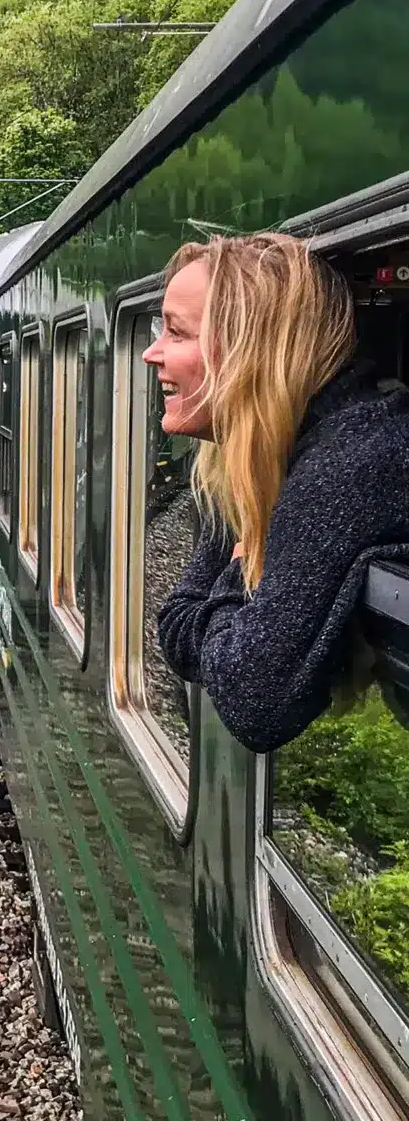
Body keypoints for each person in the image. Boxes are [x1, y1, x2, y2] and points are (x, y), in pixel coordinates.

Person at [146, 233, 409, 751]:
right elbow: (175, 624)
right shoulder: (270, 454)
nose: (152, 353)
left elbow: (252, 701)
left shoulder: (353, 464)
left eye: (176, 333)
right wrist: (239, 603)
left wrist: (242, 585)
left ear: (252, 352)